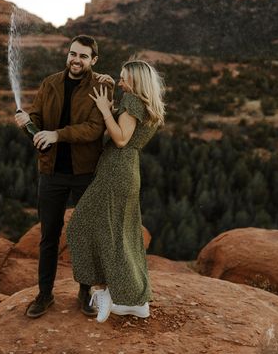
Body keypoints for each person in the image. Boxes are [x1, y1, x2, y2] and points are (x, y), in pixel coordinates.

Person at [14, 35, 113, 318]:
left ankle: (85, 292)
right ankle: (44, 294)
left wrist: (57, 135)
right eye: (72, 54)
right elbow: (38, 121)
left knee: (84, 235)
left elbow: (94, 129)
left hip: (85, 174)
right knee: (49, 236)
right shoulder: (50, 83)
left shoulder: (101, 85)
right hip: (51, 173)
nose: (76, 60)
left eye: (83, 56)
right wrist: (27, 125)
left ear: (94, 60)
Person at [66, 60, 165, 323]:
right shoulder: (146, 104)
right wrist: (112, 110)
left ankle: (104, 292)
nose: (120, 82)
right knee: (120, 232)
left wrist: (104, 110)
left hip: (116, 171)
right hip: (128, 171)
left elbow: (120, 139)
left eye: (124, 78)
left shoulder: (132, 102)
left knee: (79, 226)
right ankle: (134, 300)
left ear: (135, 81)